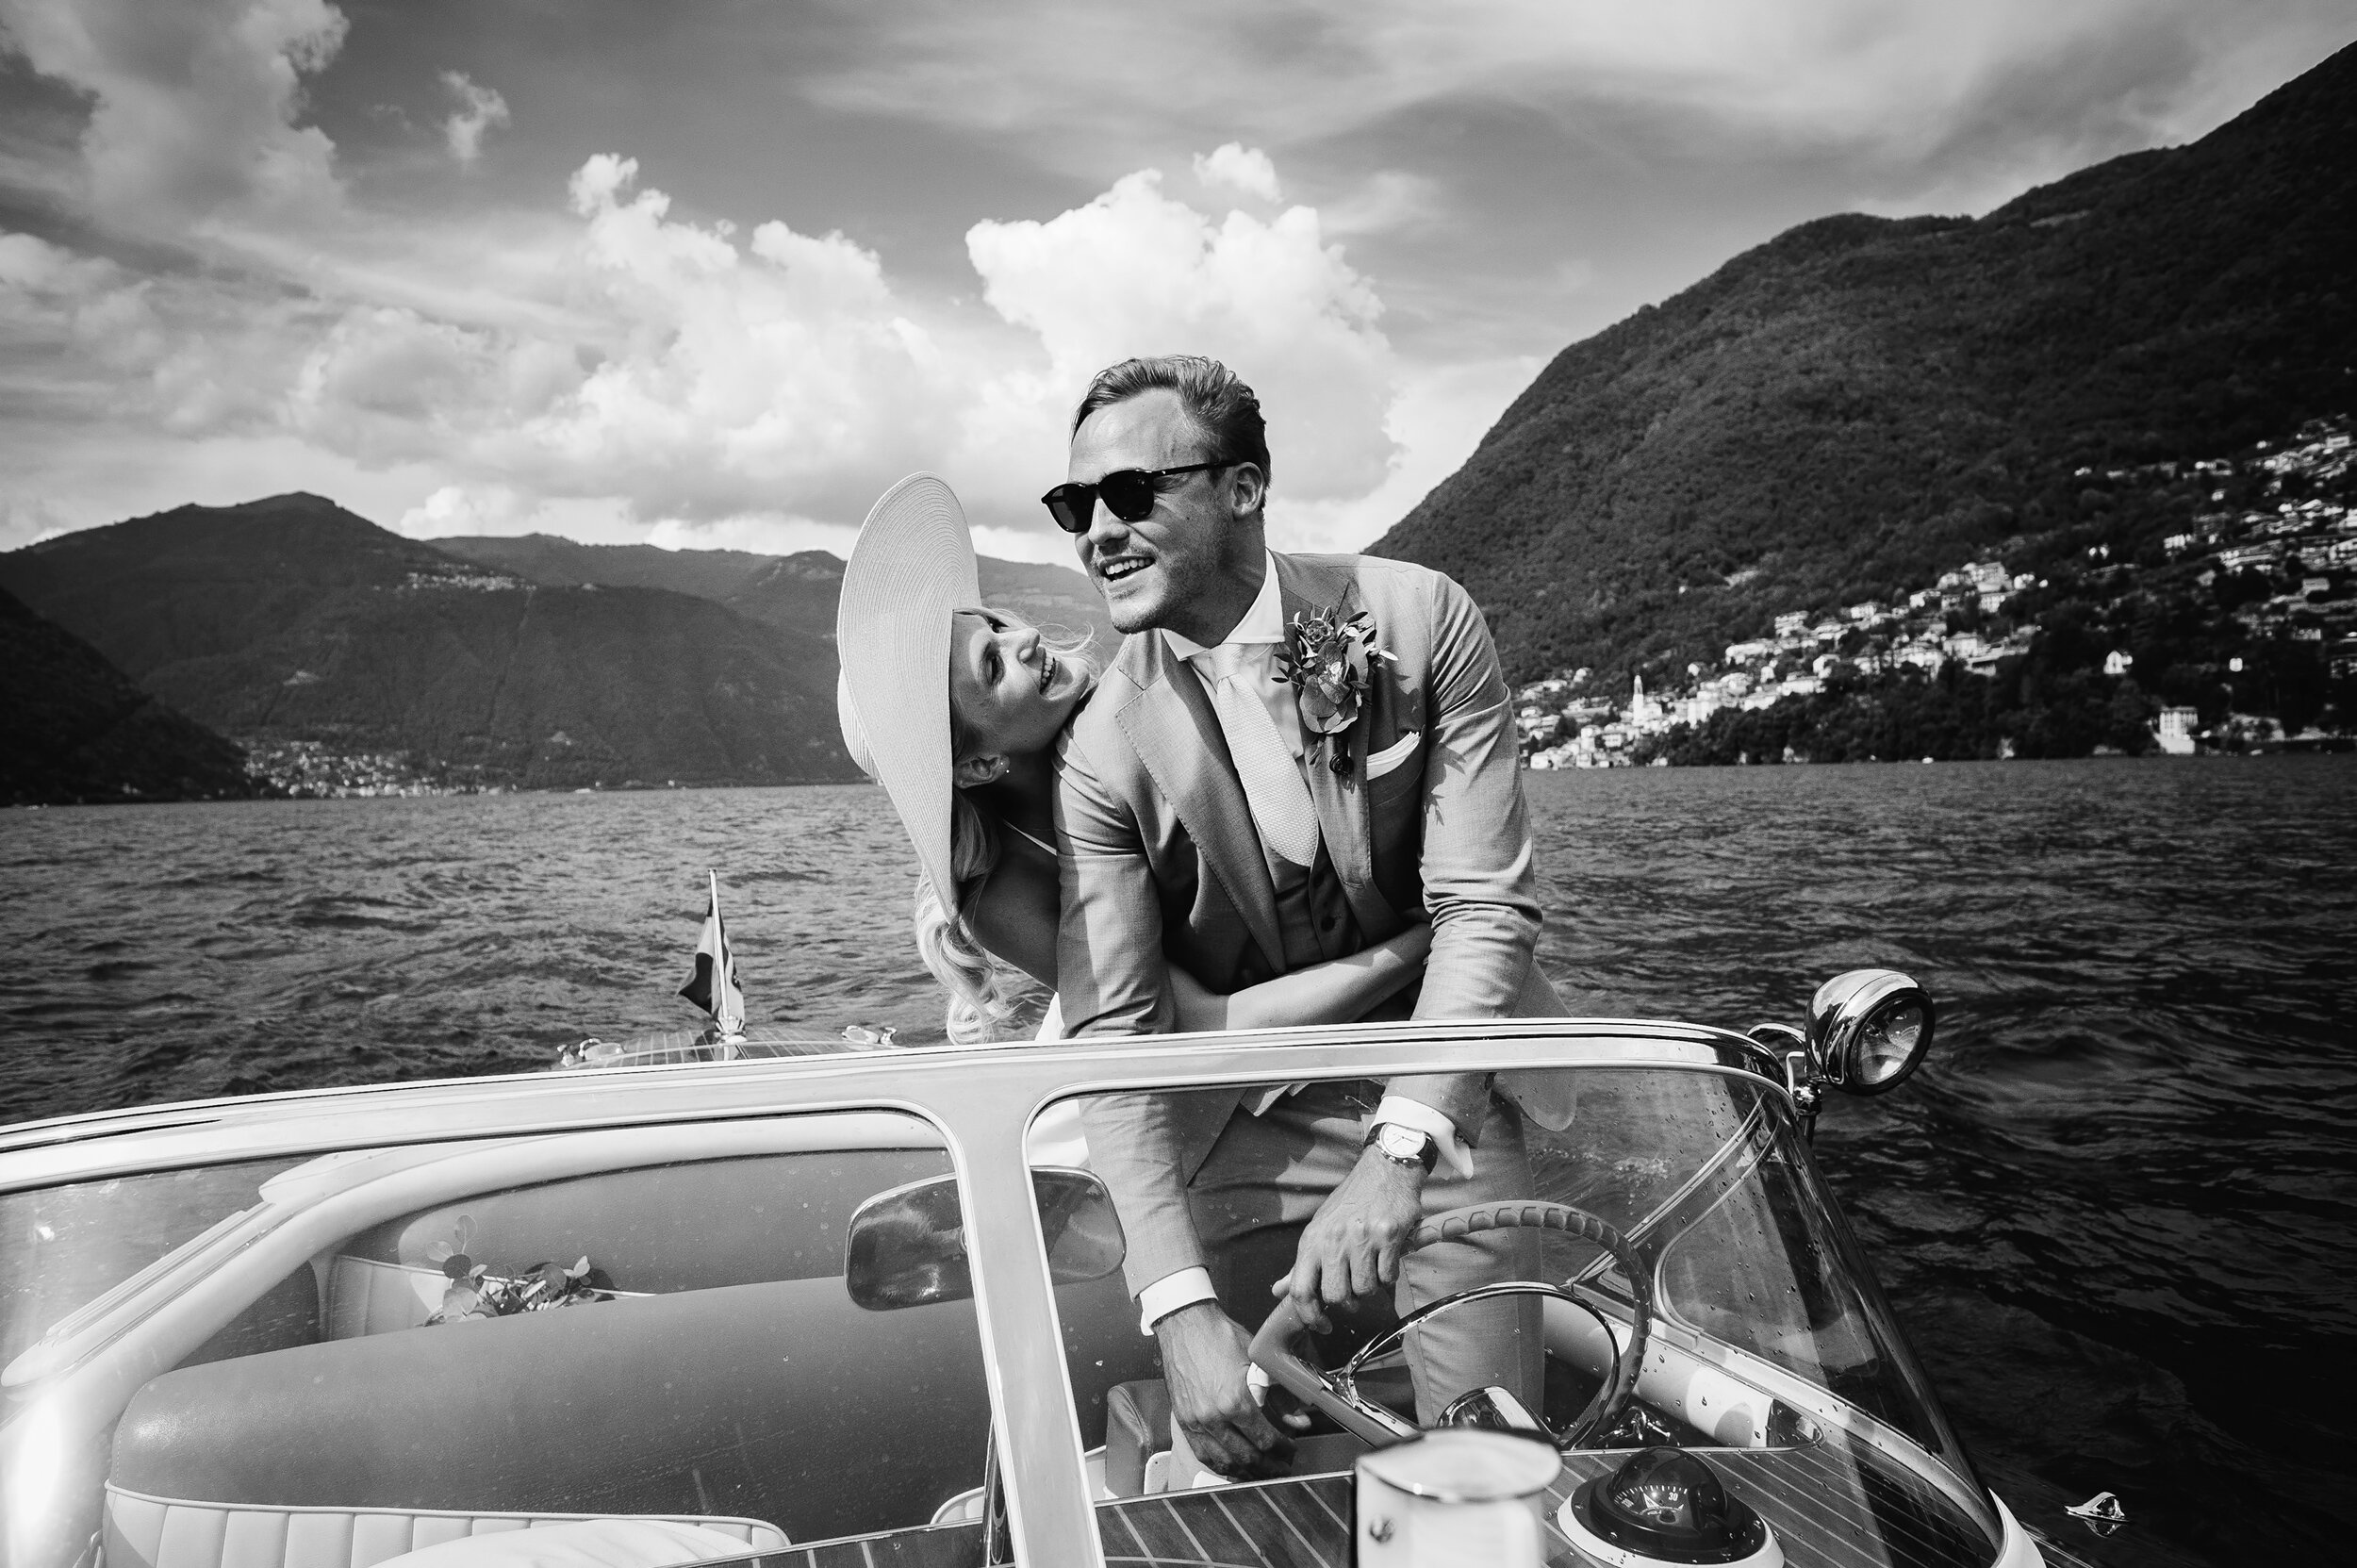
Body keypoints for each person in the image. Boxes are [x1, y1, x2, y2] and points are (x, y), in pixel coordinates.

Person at [1048, 355, 1558, 1479]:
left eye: (1128, 494)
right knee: (1232, 1436)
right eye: (1072, 506)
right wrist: (1176, 1311)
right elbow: (1116, 1038)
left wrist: (1401, 1145)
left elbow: (1483, 905)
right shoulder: (1100, 750)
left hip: (1441, 1083)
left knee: (1487, 1466)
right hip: (1239, 1119)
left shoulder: (1421, 622)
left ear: (1242, 488)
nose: (1095, 531)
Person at [832, 471, 1440, 1048]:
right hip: (1229, 1066)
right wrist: (1429, 940)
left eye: (994, 625)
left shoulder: (1153, 693)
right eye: (992, 667)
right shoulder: (1003, 897)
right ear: (976, 766)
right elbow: (1195, 1027)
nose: (1024, 640)